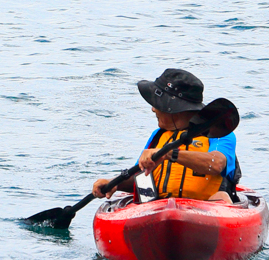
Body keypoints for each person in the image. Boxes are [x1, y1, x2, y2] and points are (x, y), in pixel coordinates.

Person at [93, 69, 239, 204]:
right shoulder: (158, 136)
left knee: (221, 197)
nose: (153, 109)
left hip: (205, 209)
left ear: (175, 109)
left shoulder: (218, 134)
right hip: (160, 209)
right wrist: (114, 183)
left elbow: (216, 164)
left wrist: (169, 153)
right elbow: (141, 177)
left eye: (157, 104)